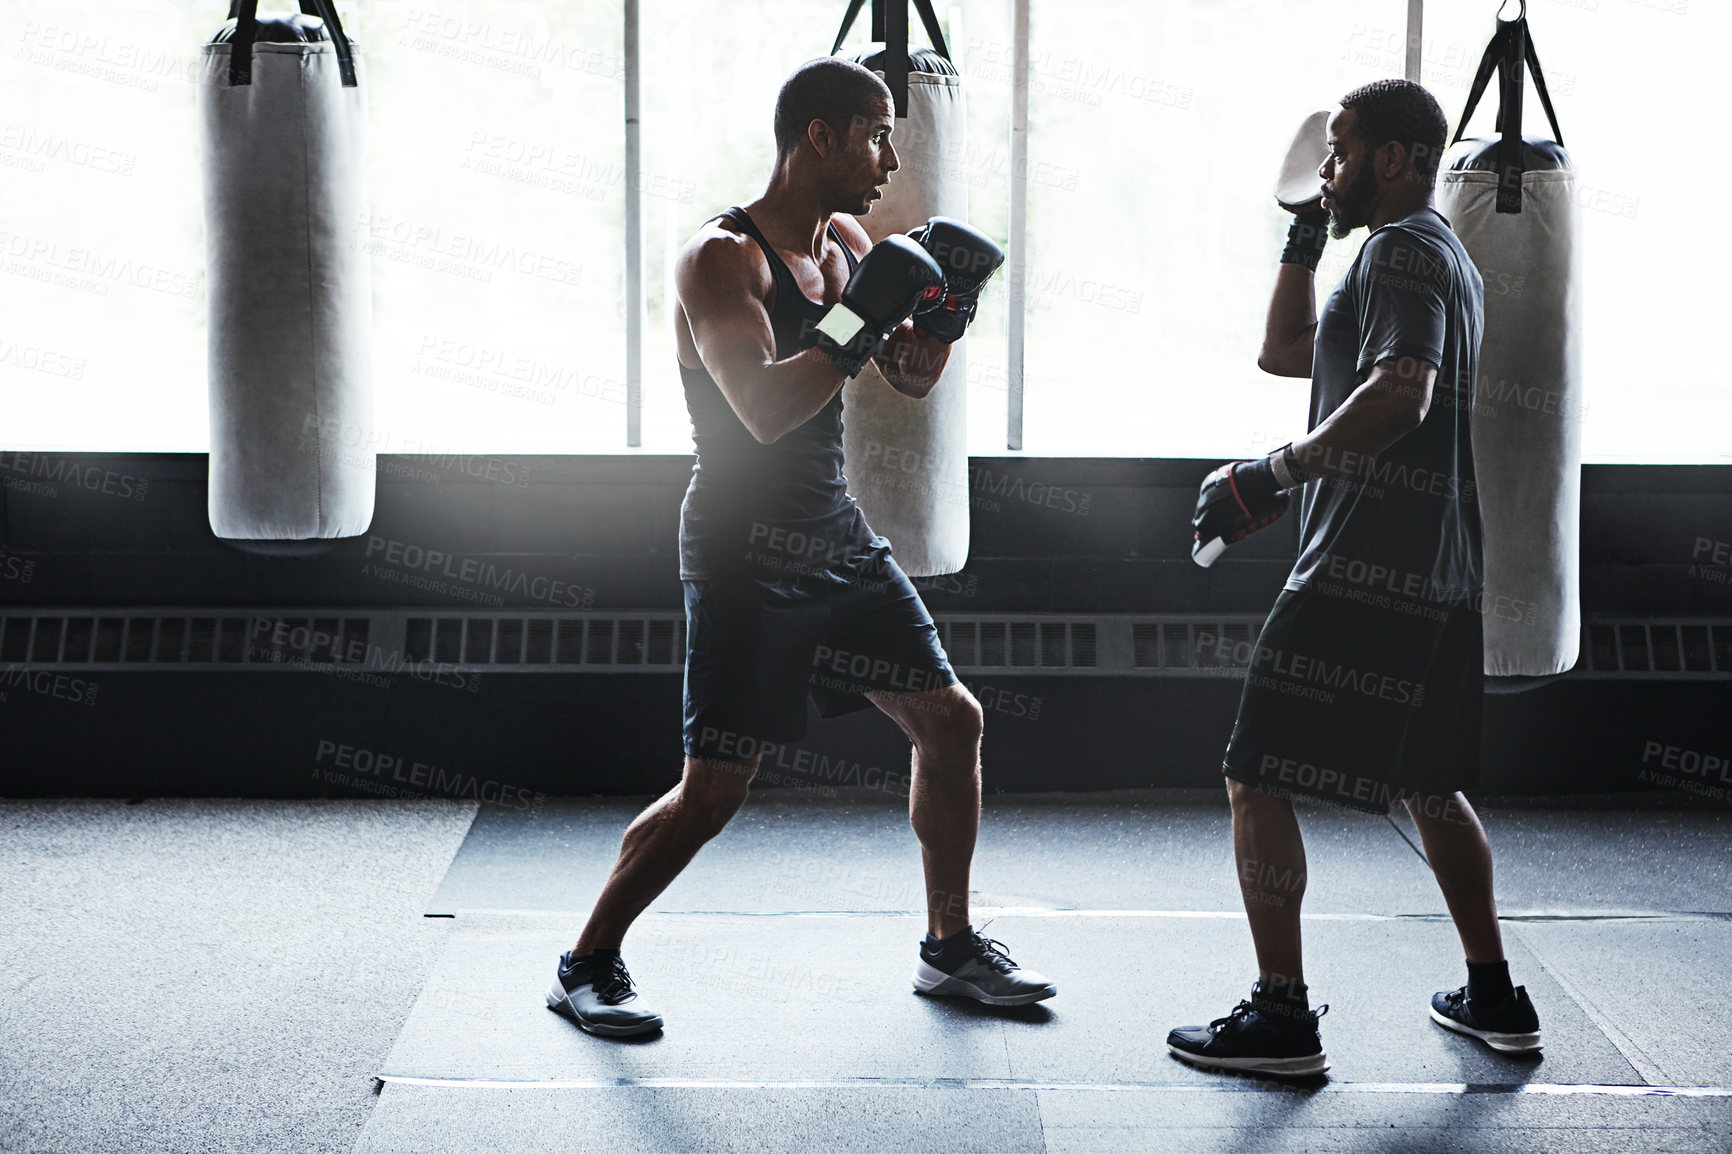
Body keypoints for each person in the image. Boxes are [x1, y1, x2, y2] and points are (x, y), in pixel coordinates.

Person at [546, 57, 1055, 1037]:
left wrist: (943, 322)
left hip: (836, 532)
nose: (890, 159)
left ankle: (947, 946)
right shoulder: (719, 259)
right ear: (818, 137)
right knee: (713, 789)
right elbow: (766, 408)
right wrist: (865, 313)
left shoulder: (853, 242)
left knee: (951, 722)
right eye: (875, 135)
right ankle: (587, 958)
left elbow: (902, 376)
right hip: (744, 548)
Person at [1169, 79, 1542, 1076]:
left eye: (1337, 154)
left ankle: (1281, 1014)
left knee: (1253, 772)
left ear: (1390, 158)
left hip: (1359, 570)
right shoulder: (1423, 257)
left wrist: (1275, 472)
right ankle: (1494, 989)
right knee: (1430, 781)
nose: (1324, 171)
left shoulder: (1402, 250)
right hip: (1439, 576)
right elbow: (1282, 352)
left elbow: (1401, 391)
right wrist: (1300, 235)